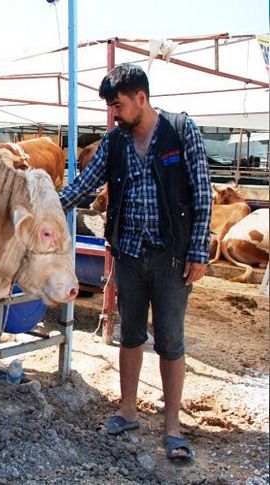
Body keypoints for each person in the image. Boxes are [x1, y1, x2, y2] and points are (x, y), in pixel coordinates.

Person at [60, 63, 211, 462]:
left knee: (170, 340)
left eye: (118, 105)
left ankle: (172, 427)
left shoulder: (180, 131)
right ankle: (128, 410)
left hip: (171, 257)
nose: (114, 114)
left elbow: (203, 194)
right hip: (127, 254)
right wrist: (47, 204)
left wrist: (198, 251)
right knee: (129, 335)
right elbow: (84, 183)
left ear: (141, 98)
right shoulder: (116, 142)